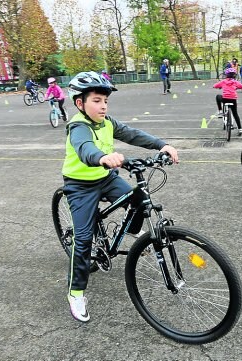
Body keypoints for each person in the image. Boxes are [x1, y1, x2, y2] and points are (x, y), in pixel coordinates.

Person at [62, 71, 179, 322]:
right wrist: (102, 157)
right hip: (80, 185)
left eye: (105, 100)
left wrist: (162, 145)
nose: (103, 105)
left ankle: (127, 233)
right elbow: (85, 149)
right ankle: (76, 292)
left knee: (138, 198)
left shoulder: (108, 122)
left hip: (105, 178)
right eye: (96, 100)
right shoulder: (77, 126)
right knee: (82, 240)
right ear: (79, 103)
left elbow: (132, 134)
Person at [213, 67, 242, 135]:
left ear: (226, 75)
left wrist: (220, 86)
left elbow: (214, 86)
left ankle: (220, 111)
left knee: (218, 96)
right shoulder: (235, 82)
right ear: (234, 75)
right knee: (235, 114)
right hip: (233, 100)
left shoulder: (223, 81)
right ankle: (240, 129)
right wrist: (236, 87)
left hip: (225, 99)